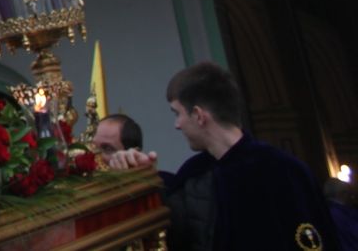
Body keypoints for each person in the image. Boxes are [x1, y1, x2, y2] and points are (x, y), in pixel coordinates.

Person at [107, 62, 338, 249]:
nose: (177, 125)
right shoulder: (195, 172)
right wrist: (140, 176)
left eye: (177, 113)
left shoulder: (281, 171)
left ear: (198, 115)